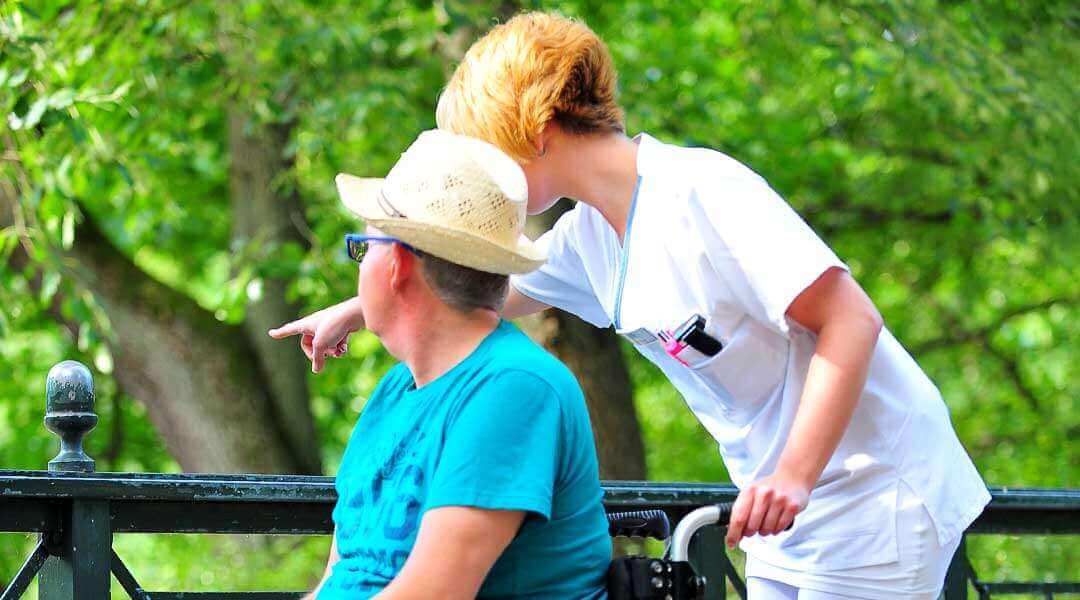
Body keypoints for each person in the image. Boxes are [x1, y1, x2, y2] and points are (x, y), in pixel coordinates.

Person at [275, 12, 990, 600]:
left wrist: (795, 474)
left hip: (871, 488)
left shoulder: (703, 192)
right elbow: (460, 284)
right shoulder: (590, 237)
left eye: (482, 154)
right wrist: (352, 309)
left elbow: (852, 319)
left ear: (534, 130)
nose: (480, 183)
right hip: (777, 510)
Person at [274, 129, 611, 599]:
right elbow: (345, 574)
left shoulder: (515, 388)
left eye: (362, 247)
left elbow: (435, 592)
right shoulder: (396, 390)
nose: (359, 265)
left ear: (397, 267)